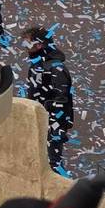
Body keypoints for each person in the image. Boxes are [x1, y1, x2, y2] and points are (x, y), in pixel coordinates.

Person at [21, 26, 75, 172]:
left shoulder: (56, 68)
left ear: (39, 44)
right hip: (41, 121)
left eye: (28, 43)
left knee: (54, 163)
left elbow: (62, 100)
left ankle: (64, 190)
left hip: (52, 124)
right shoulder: (37, 63)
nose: (25, 47)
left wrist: (45, 112)